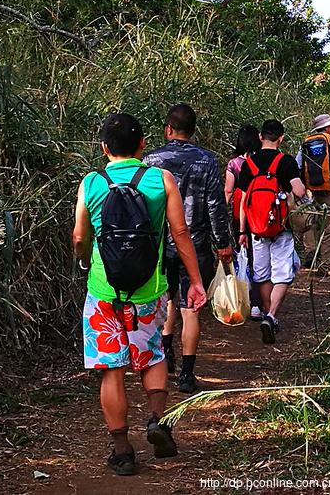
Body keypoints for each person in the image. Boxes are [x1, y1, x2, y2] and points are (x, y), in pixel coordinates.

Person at [72, 113, 207, 476]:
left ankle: (122, 451)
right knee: (152, 355)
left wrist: (87, 262)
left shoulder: (91, 182)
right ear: (143, 145)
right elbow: (180, 232)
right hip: (150, 288)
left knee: (110, 369)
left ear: (104, 148)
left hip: (104, 291)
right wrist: (194, 281)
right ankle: (159, 422)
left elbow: (80, 238)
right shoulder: (160, 179)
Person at [142, 104, 233, 394]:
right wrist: (223, 243)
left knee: (166, 299)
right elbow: (216, 206)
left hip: (158, 245)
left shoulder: (150, 160)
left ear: (168, 128)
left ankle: (166, 357)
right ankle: (187, 374)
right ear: (193, 131)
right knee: (190, 307)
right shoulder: (207, 160)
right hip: (195, 244)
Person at [237, 119, 306, 344]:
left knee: (262, 274)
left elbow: (243, 200)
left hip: (256, 228)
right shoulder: (285, 162)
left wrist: (241, 231)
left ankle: (268, 315)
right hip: (281, 227)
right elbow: (298, 189)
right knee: (283, 274)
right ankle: (271, 315)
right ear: (281, 138)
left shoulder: (250, 164)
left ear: (260, 137)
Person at [295, 114, 330, 268]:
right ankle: (327, 260)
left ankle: (311, 252)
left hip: (310, 191)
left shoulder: (305, 144)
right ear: (326, 127)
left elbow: (297, 167)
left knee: (310, 222)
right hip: (329, 189)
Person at [224, 124, 264, 320]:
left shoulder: (234, 164)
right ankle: (258, 303)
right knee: (259, 257)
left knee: (243, 256)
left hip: (240, 215)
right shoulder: (261, 161)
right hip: (260, 215)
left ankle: (243, 298)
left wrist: (220, 212)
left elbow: (229, 191)